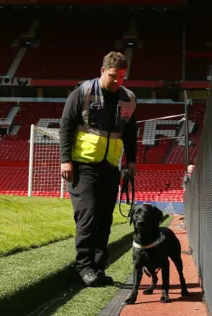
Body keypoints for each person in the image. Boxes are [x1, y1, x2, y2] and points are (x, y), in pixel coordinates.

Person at [59, 51, 138, 287]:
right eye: (113, 76)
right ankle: (84, 266)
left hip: (111, 167)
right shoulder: (81, 93)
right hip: (82, 166)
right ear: (102, 71)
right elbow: (66, 125)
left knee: (105, 217)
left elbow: (131, 133)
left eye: (122, 77)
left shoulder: (128, 98)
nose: (118, 82)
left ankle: (98, 267)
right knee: (89, 213)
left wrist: (131, 161)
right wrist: (65, 159)